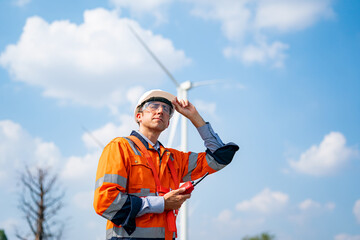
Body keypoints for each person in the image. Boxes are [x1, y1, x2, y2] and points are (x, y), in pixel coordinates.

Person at [94, 89, 239, 240]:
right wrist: (162, 203)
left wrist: (195, 118)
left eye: (166, 109)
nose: (160, 111)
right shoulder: (120, 147)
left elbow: (219, 157)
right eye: (153, 106)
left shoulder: (173, 158)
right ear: (139, 116)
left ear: (168, 123)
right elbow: (106, 202)